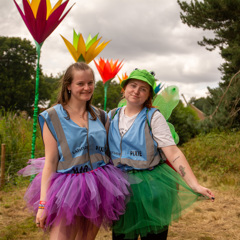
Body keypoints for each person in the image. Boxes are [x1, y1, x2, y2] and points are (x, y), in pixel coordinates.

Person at [19, 62, 131, 240]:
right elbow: (50, 162)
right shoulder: (51, 117)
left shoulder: (102, 116)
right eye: (80, 83)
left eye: (90, 83)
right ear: (69, 86)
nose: (87, 88)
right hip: (67, 188)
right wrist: (43, 205)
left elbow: (111, 152)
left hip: (100, 186)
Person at [108, 68, 215, 240]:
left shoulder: (153, 117)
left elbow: (173, 152)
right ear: (124, 88)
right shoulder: (111, 116)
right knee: (121, 235)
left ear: (149, 95)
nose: (136, 91)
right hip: (120, 187)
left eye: (143, 89)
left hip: (151, 188)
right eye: (133, 85)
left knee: (154, 235)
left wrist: (194, 184)